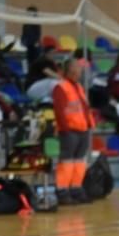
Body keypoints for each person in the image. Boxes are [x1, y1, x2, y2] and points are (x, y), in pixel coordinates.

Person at [52, 59, 95, 205]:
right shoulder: (61, 87)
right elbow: (60, 111)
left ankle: (76, 188)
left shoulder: (78, 87)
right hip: (70, 130)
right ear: (70, 70)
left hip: (82, 128)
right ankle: (62, 191)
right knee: (66, 161)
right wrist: (64, 128)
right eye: (77, 67)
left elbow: (84, 107)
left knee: (79, 161)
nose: (80, 70)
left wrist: (89, 124)